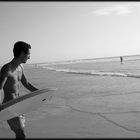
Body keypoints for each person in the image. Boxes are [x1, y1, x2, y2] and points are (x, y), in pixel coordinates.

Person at [0, 41, 38, 138]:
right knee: (21, 134)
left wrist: (41, 93)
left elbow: (26, 83)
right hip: (9, 107)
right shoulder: (7, 69)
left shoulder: (20, 67)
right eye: (28, 54)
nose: (29, 57)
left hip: (19, 105)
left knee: (20, 134)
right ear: (22, 53)